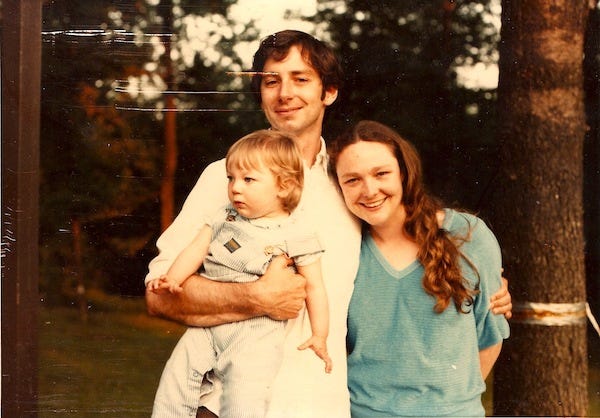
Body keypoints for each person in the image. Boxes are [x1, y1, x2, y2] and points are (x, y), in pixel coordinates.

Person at [145, 30, 513, 418]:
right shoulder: (228, 177)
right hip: (229, 402)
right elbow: (159, 295)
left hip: (323, 404)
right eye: (272, 81)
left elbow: (403, 246)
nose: (285, 93)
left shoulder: (347, 183)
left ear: (329, 92)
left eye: (301, 78)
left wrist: (487, 281)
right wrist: (256, 297)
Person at [329, 120, 511, 417]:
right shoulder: (344, 251)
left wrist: (449, 404)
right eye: (352, 180)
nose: (369, 190)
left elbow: (490, 335)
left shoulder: (468, 236)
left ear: (404, 172)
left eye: (381, 173)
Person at [148, 130, 332, 417]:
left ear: (283, 186)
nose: (235, 188)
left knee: (244, 393)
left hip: (256, 334)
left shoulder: (298, 231)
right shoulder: (224, 216)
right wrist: (173, 278)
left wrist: (320, 335)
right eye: (231, 178)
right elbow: (196, 249)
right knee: (177, 375)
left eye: (248, 180)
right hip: (207, 323)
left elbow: (315, 288)